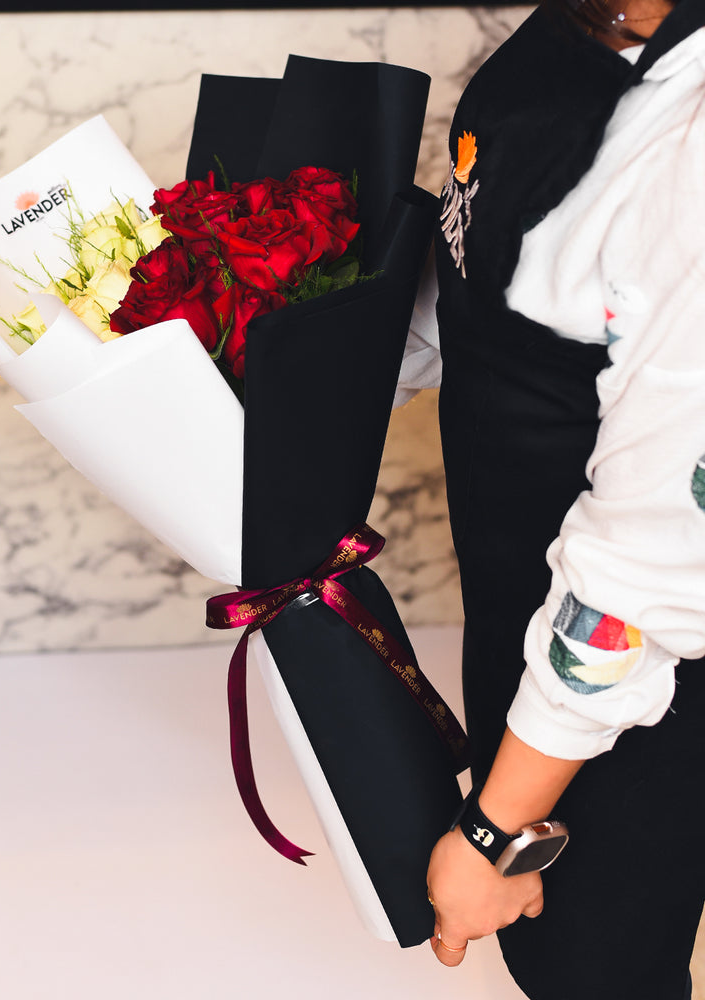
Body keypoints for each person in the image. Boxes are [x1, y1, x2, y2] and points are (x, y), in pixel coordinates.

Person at [398, 0, 705, 996]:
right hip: (524, 605)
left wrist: (497, 832)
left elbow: (653, 555)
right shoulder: (591, 20)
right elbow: (503, 278)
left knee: (595, 967)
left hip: (644, 672)